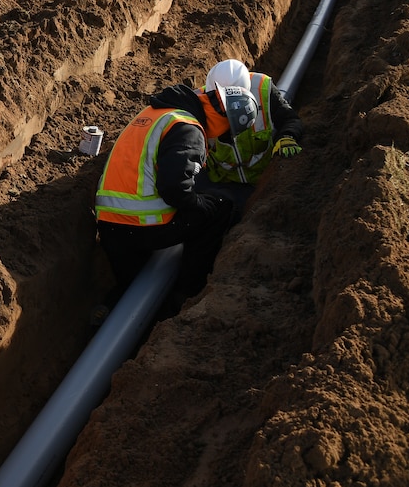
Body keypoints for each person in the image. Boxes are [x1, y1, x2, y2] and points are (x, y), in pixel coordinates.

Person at [91, 83, 259, 324]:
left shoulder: (155, 113)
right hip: (143, 226)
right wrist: (198, 203)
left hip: (109, 227)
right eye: (226, 132)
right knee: (219, 207)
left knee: (131, 281)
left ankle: (112, 307)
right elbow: (174, 187)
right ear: (224, 118)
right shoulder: (188, 128)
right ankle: (188, 292)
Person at [198, 59, 304, 216]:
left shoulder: (263, 88)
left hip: (264, 184)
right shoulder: (200, 104)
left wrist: (287, 136)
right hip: (224, 187)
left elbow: (290, 119)